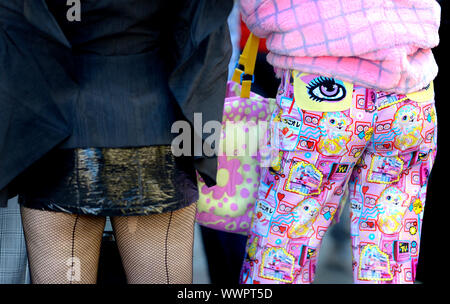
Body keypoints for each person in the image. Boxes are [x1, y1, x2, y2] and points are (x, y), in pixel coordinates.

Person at [0, 0, 233, 284]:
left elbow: (14, 27)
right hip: (156, 129)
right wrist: (198, 132)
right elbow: (205, 34)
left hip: (59, 135)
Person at [238, 0, 440, 284]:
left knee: (284, 244)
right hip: (410, 93)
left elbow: (259, 10)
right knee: (390, 252)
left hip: (320, 88)